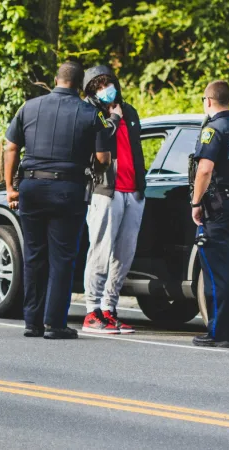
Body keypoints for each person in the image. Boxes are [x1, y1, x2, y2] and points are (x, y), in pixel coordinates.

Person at [3, 61, 122, 339]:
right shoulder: (91, 113)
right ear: (81, 85)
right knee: (62, 258)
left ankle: (31, 322)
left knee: (34, 254)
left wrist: (11, 187)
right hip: (68, 190)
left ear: (55, 79)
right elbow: (104, 158)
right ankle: (53, 324)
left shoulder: (29, 107)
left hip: (31, 186)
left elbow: (11, 147)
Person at [80, 65, 147, 334]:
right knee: (100, 250)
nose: (104, 90)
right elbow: (96, 148)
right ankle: (91, 310)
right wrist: (114, 121)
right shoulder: (90, 114)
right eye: (97, 87)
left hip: (133, 190)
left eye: (107, 84)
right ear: (91, 91)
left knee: (124, 254)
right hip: (106, 190)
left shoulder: (129, 112)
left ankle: (109, 307)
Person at [190, 80, 229, 348]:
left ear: (208, 101)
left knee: (216, 271)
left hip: (216, 206)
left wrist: (196, 203)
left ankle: (218, 332)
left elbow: (204, 170)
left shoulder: (213, 131)